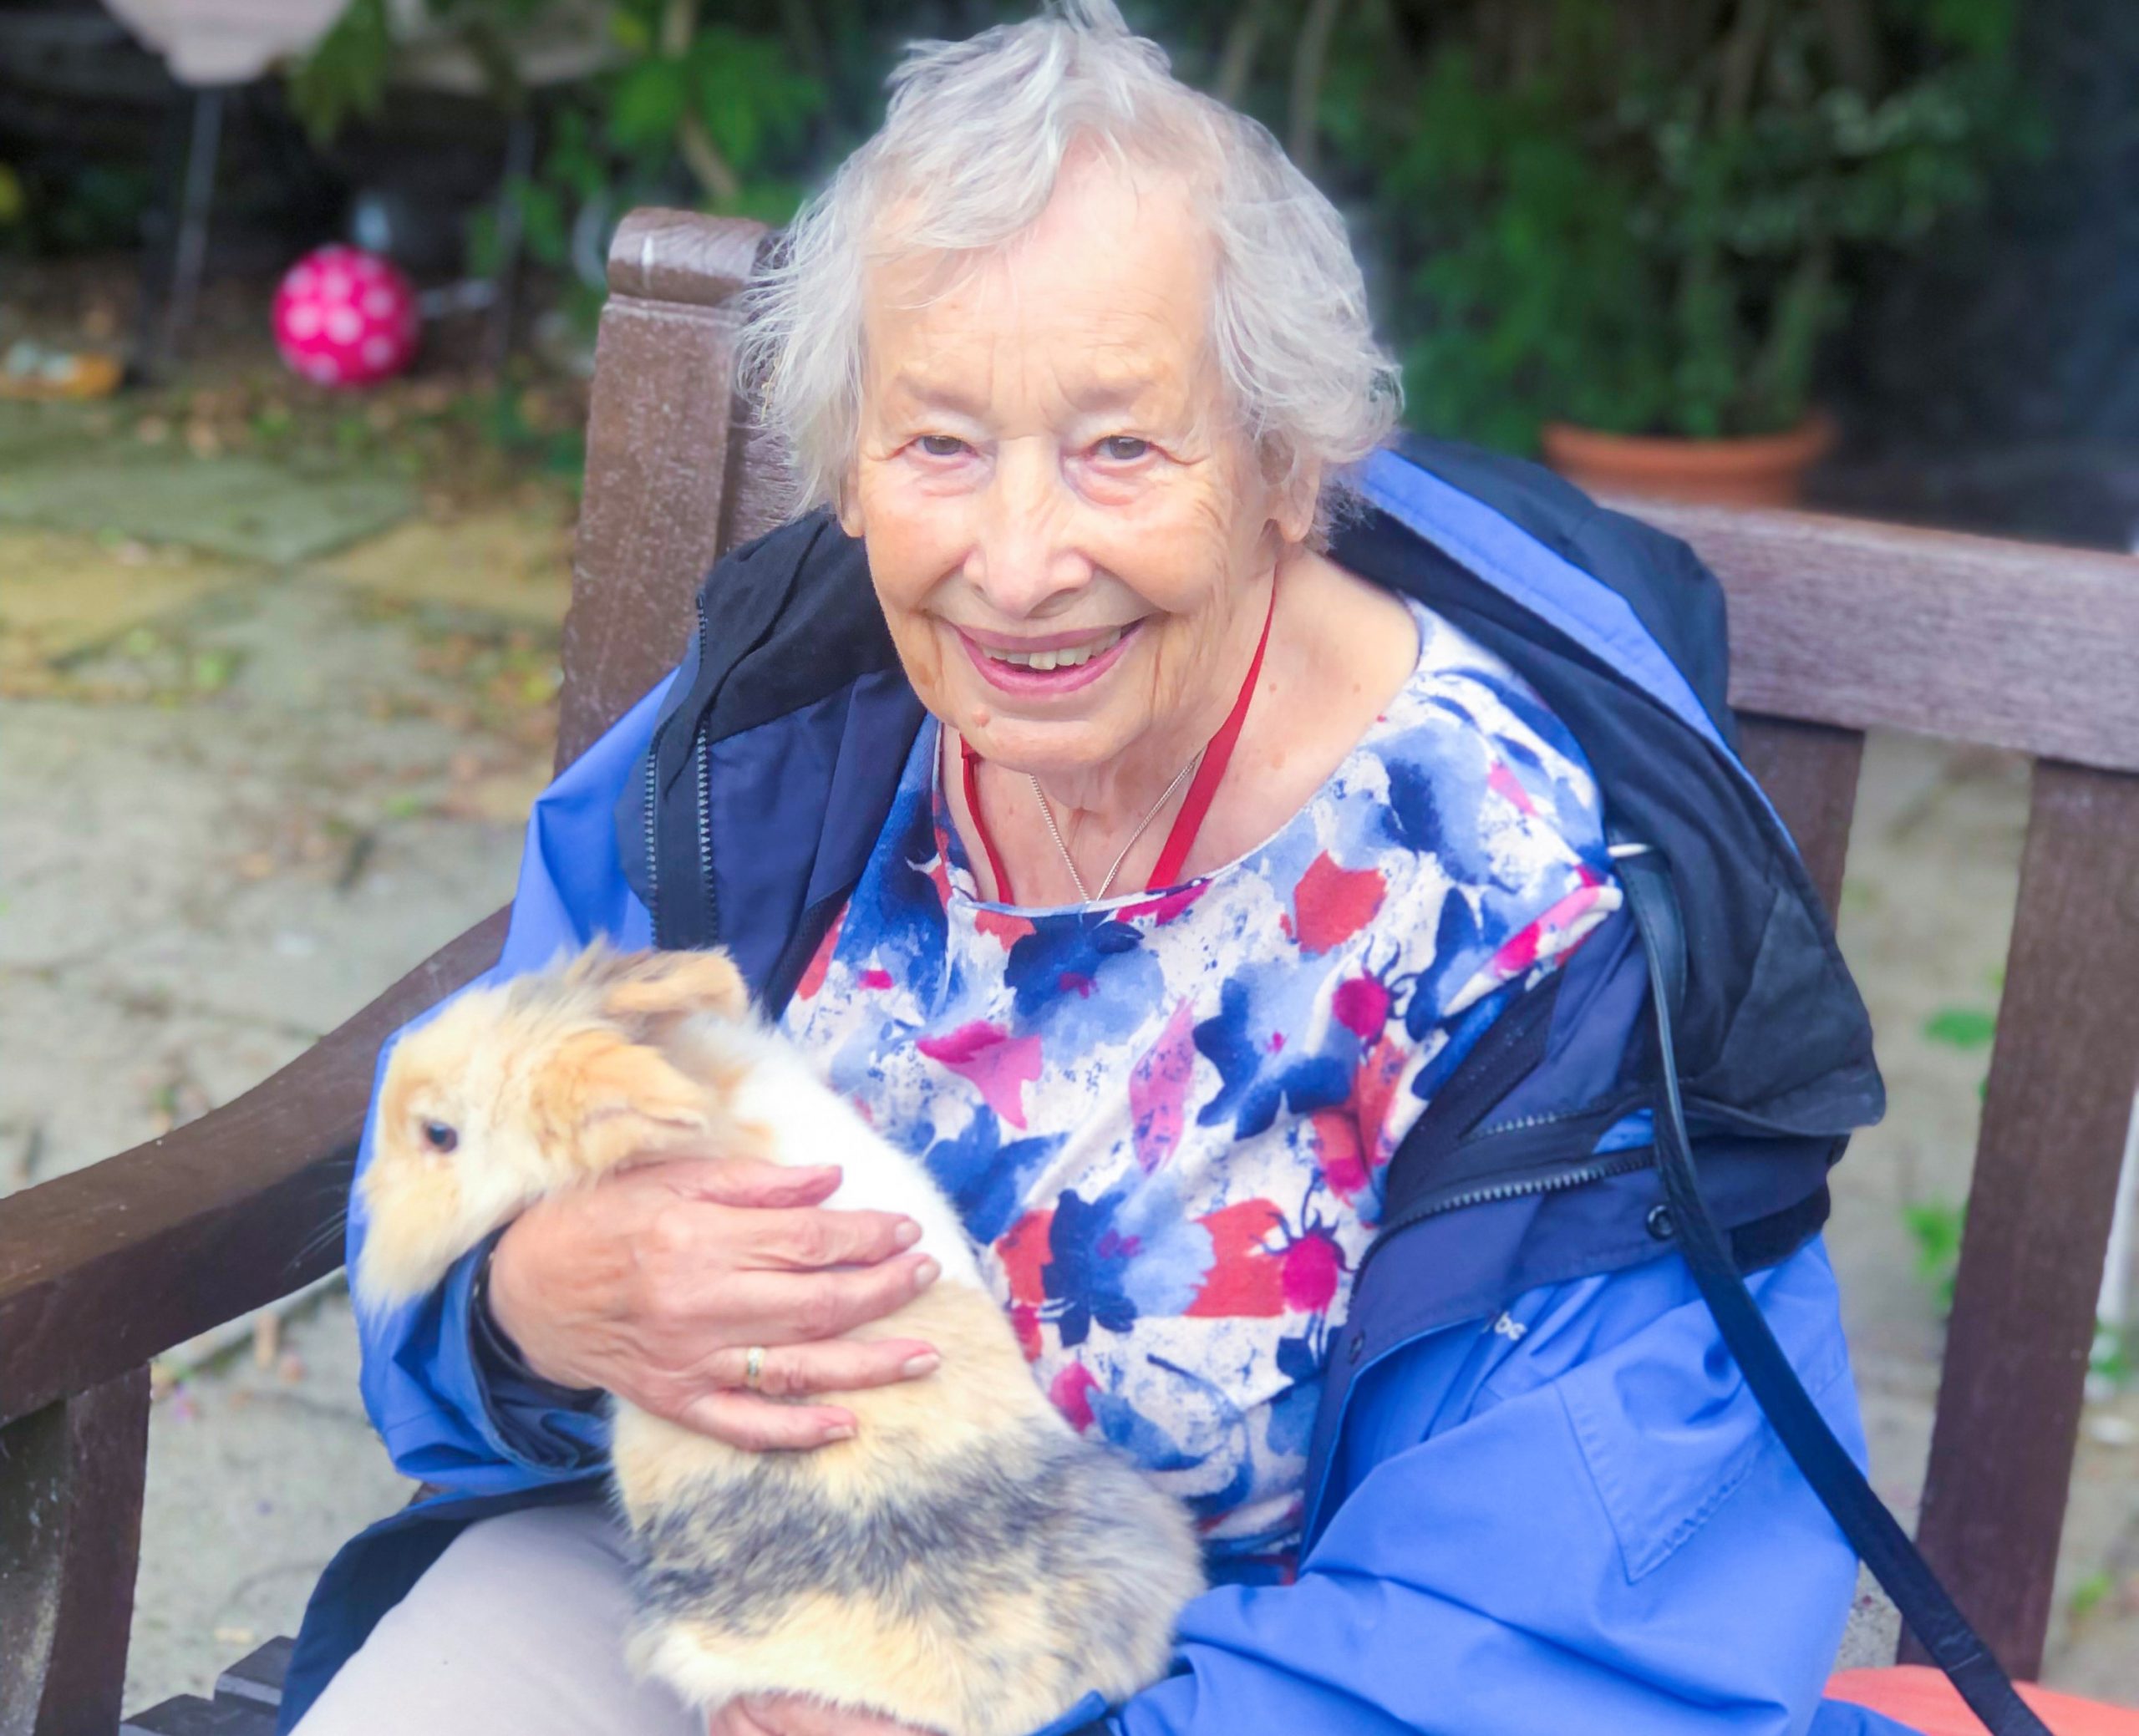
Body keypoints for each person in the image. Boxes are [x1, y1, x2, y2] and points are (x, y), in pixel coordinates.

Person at [287, 6, 1921, 1733]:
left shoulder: (1530, 917)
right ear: (844, 467)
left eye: (1119, 447)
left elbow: (1551, 1648)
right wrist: (528, 1303)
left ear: (1286, 466)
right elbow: (462, 1155)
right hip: (713, 1597)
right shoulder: (781, 738)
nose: (1014, 560)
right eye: (935, 444)